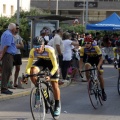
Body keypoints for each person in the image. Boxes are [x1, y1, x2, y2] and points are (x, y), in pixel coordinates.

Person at [24, 37, 61, 119]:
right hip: (42, 62)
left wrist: (50, 75)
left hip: (52, 64)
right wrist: (26, 75)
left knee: (55, 85)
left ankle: (57, 106)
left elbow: (55, 66)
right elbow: (29, 66)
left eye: (39, 46)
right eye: (35, 46)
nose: (37, 49)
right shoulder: (33, 51)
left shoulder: (49, 50)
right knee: (32, 71)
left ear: (43, 45)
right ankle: (39, 89)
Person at [79, 37, 107, 101]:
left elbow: (101, 58)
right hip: (90, 59)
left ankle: (103, 92)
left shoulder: (96, 47)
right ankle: (90, 83)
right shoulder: (83, 49)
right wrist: (80, 68)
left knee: (100, 75)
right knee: (86, 66)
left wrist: (99, 66)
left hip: (98, 60)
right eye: (85, 43)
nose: (86, 44)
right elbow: (81, 60)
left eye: (88, 43)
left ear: (91, 43)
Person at [0, 23, 17, 94]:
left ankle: (4, 87)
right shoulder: (9, 35)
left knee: (6, 71)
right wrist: (2, 55)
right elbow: (6, 46)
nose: (16, 30)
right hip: (8, 55)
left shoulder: (4, 33)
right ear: (13, 29)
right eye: (15, 28)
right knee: (7, 71)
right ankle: (4, 88)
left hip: (6, 54)